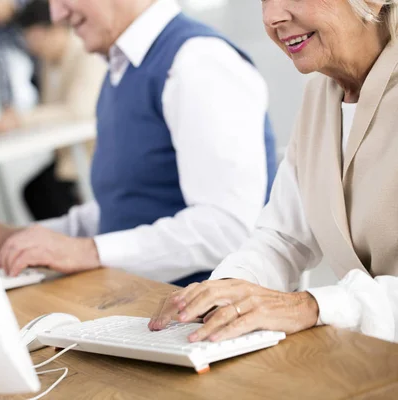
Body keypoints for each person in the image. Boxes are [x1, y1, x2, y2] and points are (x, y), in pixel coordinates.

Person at [149, 0, 398, 343]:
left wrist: (312, 306)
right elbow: (283, 238)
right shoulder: (319, 97)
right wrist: (225, 290)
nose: (271, 17)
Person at [0, 0, 277, 286]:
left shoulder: (197, 61)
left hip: (205, 313)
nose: (56, 13)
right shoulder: (120, 70)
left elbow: (226, 228)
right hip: (147, 302)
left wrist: (89, 252)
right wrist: (21, 238)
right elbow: (127, 205)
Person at [0, 0, 107, 220]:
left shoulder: (85, 52)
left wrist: (20, 120)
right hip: (69, 155)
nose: (32, 47)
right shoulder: (48, 65)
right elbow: (50, 109)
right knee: (36, 191)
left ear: (56, 30)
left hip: (93, 153)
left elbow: (78, 111)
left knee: (44, 193)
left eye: (36, 38)